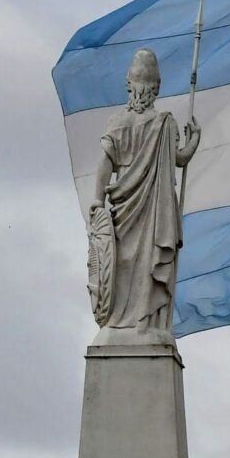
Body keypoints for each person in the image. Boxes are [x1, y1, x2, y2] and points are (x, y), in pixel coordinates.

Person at [87, 48, 201, 338]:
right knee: (144, 265)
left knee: (122, 263)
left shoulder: (118, 122)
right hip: (153, 208)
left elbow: (105, 163)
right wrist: (194, 141)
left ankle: (117, 323)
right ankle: (144, 323)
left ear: (129, 83)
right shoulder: (164, 122)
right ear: (157, 87)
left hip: (128, 205)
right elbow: (180, 158)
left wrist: (97, 199)